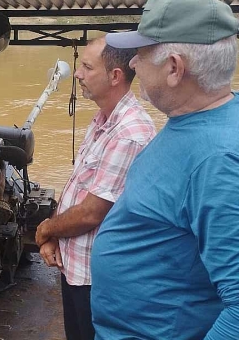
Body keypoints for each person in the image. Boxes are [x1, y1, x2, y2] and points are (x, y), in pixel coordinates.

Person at [91, 0, 239, 339]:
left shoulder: (217, 162)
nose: (131, 63)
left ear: (174, 68)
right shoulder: (198, 120)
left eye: (141, 54)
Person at [34, 37, 156, 340]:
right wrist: (53, 238)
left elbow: (91, 213)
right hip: (75, 267)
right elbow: (77, 184)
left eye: (87, 67)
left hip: (98, 278)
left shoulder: (129, 133)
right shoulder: (102, 118)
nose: (77, 74)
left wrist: (48, 228)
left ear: (115, 76)